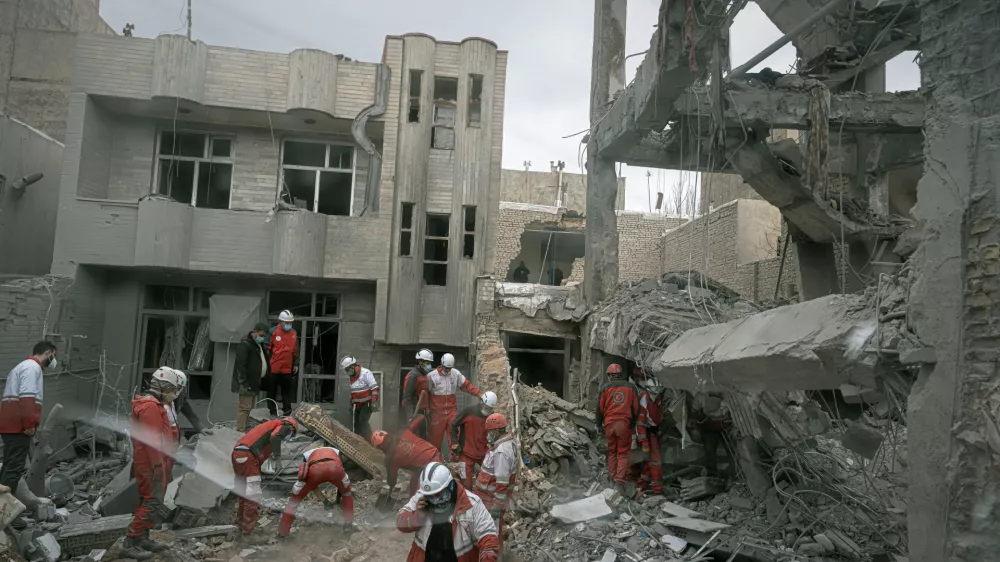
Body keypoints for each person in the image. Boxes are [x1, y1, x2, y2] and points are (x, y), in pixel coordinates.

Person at [120, 367, 183, 560]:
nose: (173, 395)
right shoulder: (150, 407)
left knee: (149, 500)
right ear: (164, 388)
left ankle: (142, 538)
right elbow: (153, 441)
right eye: (172, 390)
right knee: (152, 501)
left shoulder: (152, 405)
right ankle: (130, 542)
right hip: (151, 463)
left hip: (151, 461)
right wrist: (158, 465)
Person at [396, 461, 499, 562]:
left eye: (438, 494)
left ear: (450, 485)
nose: (434, 499)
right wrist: (417, 516)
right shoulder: (421, 498)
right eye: (429, 496)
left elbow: (488, 535)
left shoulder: (471, 504)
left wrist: (488, 557)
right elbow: (400, 523)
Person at [0, 341, 56, 494]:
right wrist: (29, 425)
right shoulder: (32, 368)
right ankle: (6, 505)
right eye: (53, 355)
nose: (54, 360)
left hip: (10, 424)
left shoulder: (22, 367)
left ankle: (4, 501)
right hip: (18, 426)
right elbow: (27, 397)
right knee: (14, 468)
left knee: (8, 465)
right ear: (48, 353)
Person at [231, 416, 299, 542]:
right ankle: (247, 534)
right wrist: (278, 459)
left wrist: (257, 471)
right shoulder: (284, 426)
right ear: (291, 429)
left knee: (244, 494)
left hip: (238, 454)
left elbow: (262, 456)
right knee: (253, 495)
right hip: (248, 456)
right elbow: (275, 437)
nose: (287, 437)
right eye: (291, 435)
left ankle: (240, 525)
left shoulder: (266, 432)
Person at [278, 446, 354, 537]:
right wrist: (338, 499)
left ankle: (283, 532)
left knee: (294, 500)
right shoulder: (335, 451)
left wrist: (325, 501)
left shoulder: (307, 455)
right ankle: (348, 526)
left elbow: (310, 482)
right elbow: (341, 484)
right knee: (347, 493)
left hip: (315, 470)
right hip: (334, 467)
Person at [474, 413, 518, 551]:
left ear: (496, 431)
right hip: (490, 498)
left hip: (491, 500)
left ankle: (493, 555)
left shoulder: (501, 452)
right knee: (492, 529)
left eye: (489, 431)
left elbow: (502, 482)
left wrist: (496, 507)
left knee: (491, 530)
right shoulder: (508, 444)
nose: (488, 434)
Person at [370, 415, 442, 497]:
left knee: (420, 495)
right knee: (414, 483)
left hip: (430, 464)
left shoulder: (390, 459)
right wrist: (414, 421)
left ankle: (420, 502)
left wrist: (391, 484)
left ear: (380, 447)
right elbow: (420, 417)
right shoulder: (403, 432)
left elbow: (392, 480)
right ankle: (412, 499)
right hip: (435, 453)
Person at [427, 353, 483, 454]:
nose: (448, 370)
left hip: (451, 411)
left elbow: (466, 386)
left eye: (449, 368)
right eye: (446, 368)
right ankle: (435, 459)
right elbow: (426, 393)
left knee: (454, 437)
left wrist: (479, 394)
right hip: (437, 413)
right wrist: (427, 410)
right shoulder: (431, 376)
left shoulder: (455, 374)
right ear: (441, 364)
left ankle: (455, 459)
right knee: (435, 439)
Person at [596, 363, 640, 489]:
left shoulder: (605, 388)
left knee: (612, 452)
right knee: (623, 452)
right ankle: (619, 480)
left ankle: (612, 476)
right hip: (624, 424)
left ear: (609, 375)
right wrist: (633, 423)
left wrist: (598, 424)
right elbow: (636, 408)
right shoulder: (631, 387)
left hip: (609, 424)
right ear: (620, 374)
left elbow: (600, 408)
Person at [450, 392, 496, 488]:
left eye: (490, 408)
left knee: (491, 478)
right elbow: (453, 425)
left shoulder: (492, 417)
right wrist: (454, 442)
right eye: (486, 407)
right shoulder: (468, 411)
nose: (487, 410)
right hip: (465, 454)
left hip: (482, 453)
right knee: (465, 484)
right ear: (481, 402)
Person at [233, 322, 270, 432]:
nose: (262, 338)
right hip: (247, 383)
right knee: (244, 407)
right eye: (261, 335)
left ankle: (244, 426)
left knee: (250, 407)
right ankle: (241, 429)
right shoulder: (245, 345)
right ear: (255, 332)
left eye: (264, 336)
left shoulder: (258, 345)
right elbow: (240, 366)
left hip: (254, 382)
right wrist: (244, 383)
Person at [634, 370, 665, 495]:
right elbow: (640, 423)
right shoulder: (643, 399)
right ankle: (657, 490)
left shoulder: (657, 398)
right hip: (647, 433)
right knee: (656, 461)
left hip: (653, 431)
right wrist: (644, 443)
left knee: (649, 461)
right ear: (649, 389)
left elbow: (657, 414)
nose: (657, 392)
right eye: (655, 389)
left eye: (659, 389)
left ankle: (641, 485)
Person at [268, 310, 298, 418]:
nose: (289, 324)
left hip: (287, 368)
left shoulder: (293, 333)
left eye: (290, 322)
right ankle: (272, 412)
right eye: (286, 322)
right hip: (274, 367)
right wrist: (267, 363)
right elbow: (267, 348)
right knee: (272, 391)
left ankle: (287, 412)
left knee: (286, 392)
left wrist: (296, 363)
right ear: (280, 322)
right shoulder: (273, 332)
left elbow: (295, 350)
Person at [341, 355, 379, 439]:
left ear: (352, 366)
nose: (347, 372)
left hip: (367, 404)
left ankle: (369, 442)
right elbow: (354, 392)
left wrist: (374, 401)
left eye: (347, 370)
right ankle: (357, 442)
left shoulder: (366, 373)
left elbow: (374, 388)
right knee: (355, 425)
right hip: (356, 405)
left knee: (363, 423)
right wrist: (351, 403)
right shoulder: (352, 376)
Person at [172, 370, 213, 436]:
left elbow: (190, 414)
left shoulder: (180, 398)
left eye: (180, 387)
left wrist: (201, 428)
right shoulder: (157, 399)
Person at [401, 349, 434, 423]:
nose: (429, 365)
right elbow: (407, 397)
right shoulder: (413, 376)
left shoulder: (424, 375)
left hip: (423, 411)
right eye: (427, 363)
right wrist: (410, 416)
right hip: (415, 412)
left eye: (430, 363)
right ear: (420, 362)